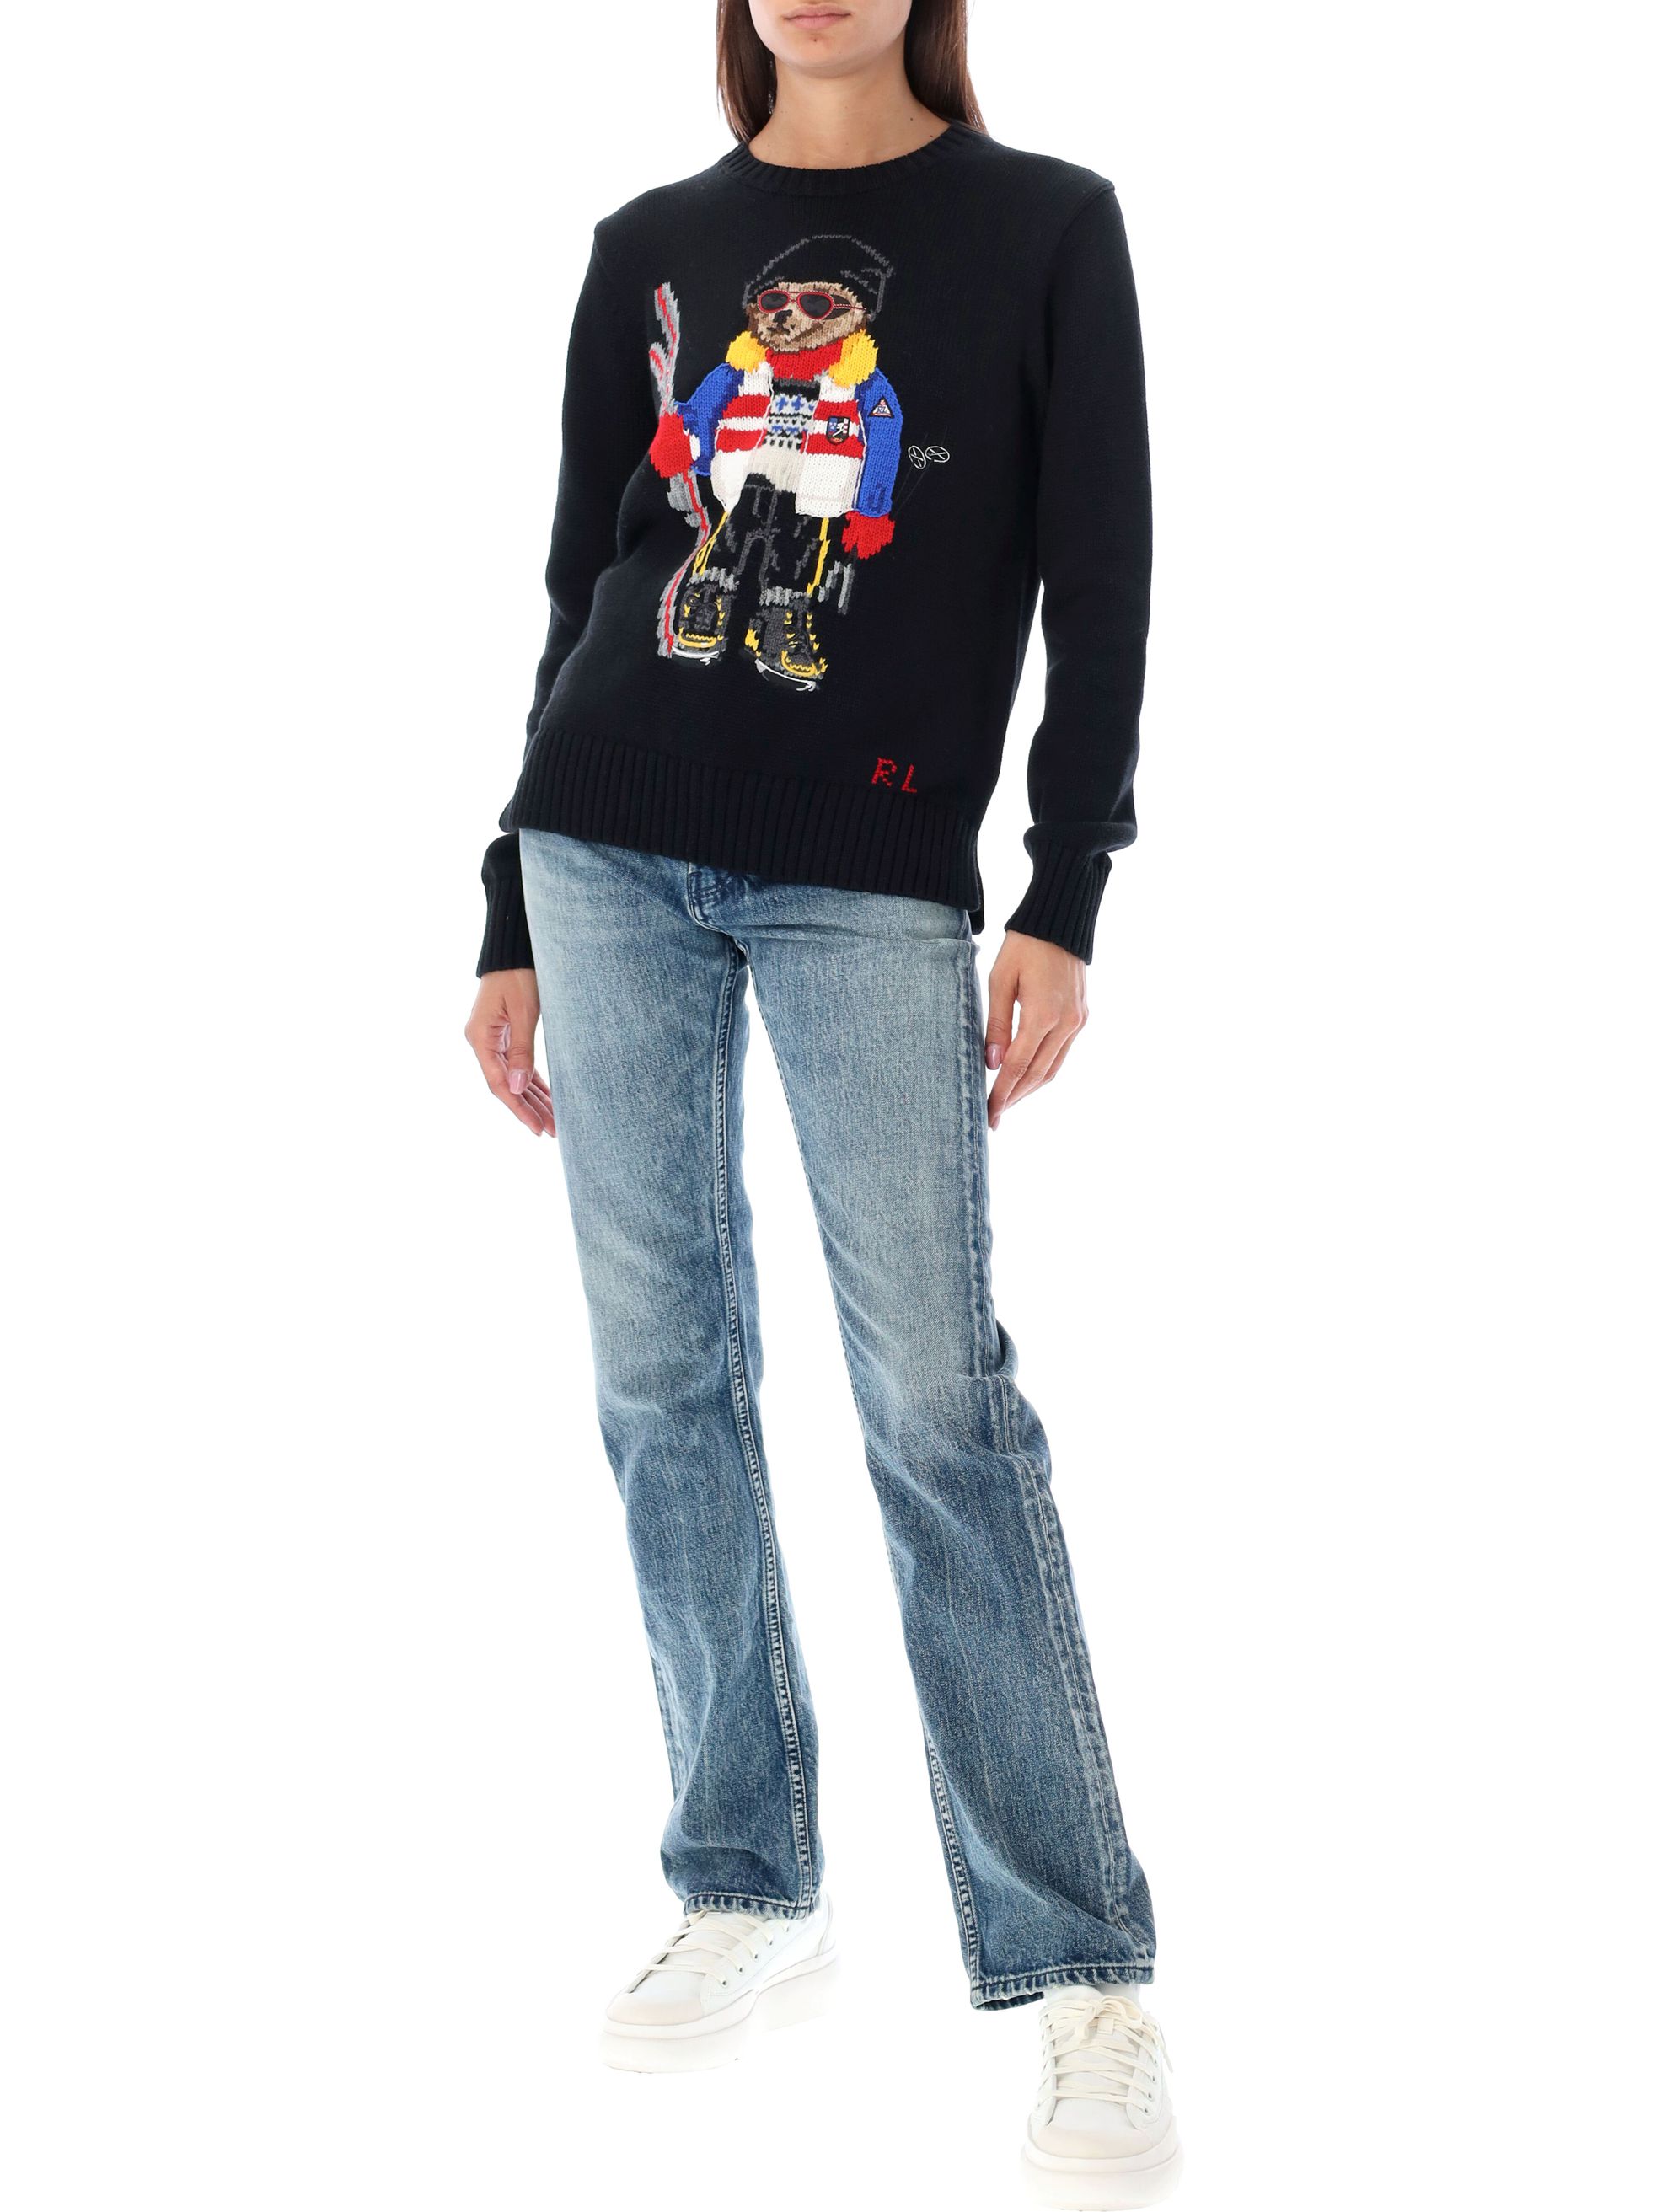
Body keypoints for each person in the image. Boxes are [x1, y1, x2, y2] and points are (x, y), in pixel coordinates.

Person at [464, 3, 1178, 2202]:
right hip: (604, 842)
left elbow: (1101, 572)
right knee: (662, 1376)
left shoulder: (1047, 228)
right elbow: (585, 574)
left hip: (871, 868)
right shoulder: (649, 243)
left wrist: (1065, 886)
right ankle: (746, 1877)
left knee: (938, 1404)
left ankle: (1082, 1967)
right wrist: (505, 897)